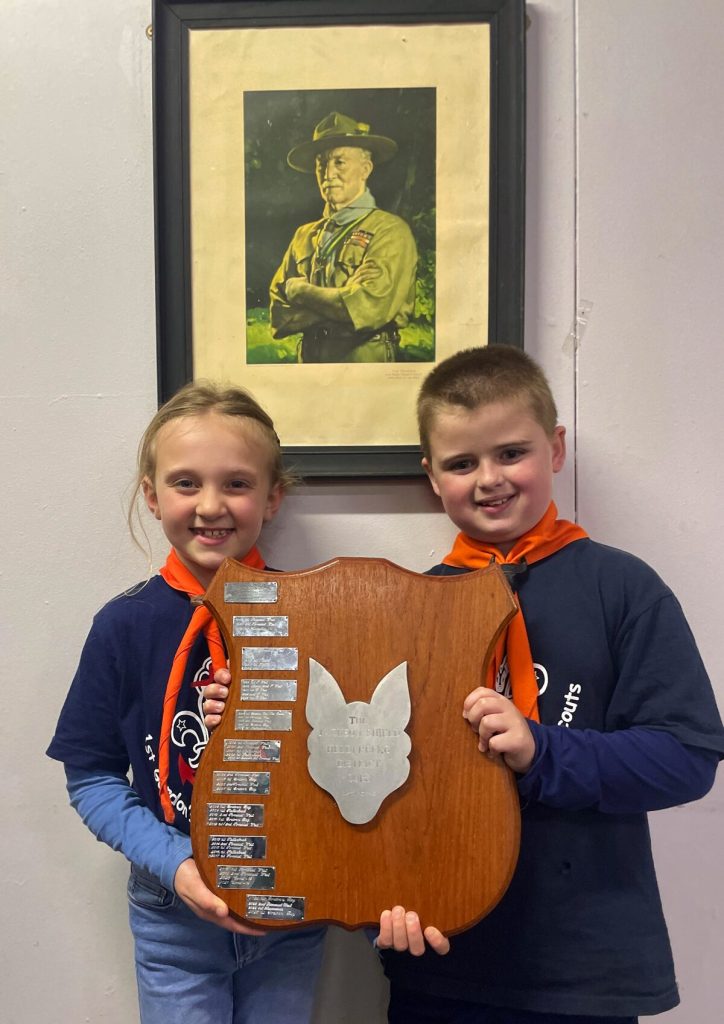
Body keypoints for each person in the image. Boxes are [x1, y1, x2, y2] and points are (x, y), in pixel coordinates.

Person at [373, 345, 724, 1022]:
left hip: (585, 968)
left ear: (555, 448)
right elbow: (378, 775)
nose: (489, 479)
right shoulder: (407, 607)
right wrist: (376, 897)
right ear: (431, 477)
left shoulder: (624, 589)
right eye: (461, 463)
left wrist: (543, 750)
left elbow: (687, 757)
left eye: (512, 453)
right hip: (442, 961)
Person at [46, 381, 326, 1024]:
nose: (210, 505)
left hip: (292, 904)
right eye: (185, 483)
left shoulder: (315, 615)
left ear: (273, 497)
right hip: (172, 914)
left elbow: (343, 760)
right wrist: (175, 865)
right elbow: (91, 778)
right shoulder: (123, 627)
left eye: (237, 483)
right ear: (151, 496)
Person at [269, 111, 418, 363]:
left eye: (339, 162)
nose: (328, 173)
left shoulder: (390, 231)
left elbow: (370, 308)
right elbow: (279, 317)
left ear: (365, 169)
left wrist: (302, 291)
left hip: (365, 359)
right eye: (321, 164)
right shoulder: (304, 235)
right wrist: (343, 300)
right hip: (309, 362)